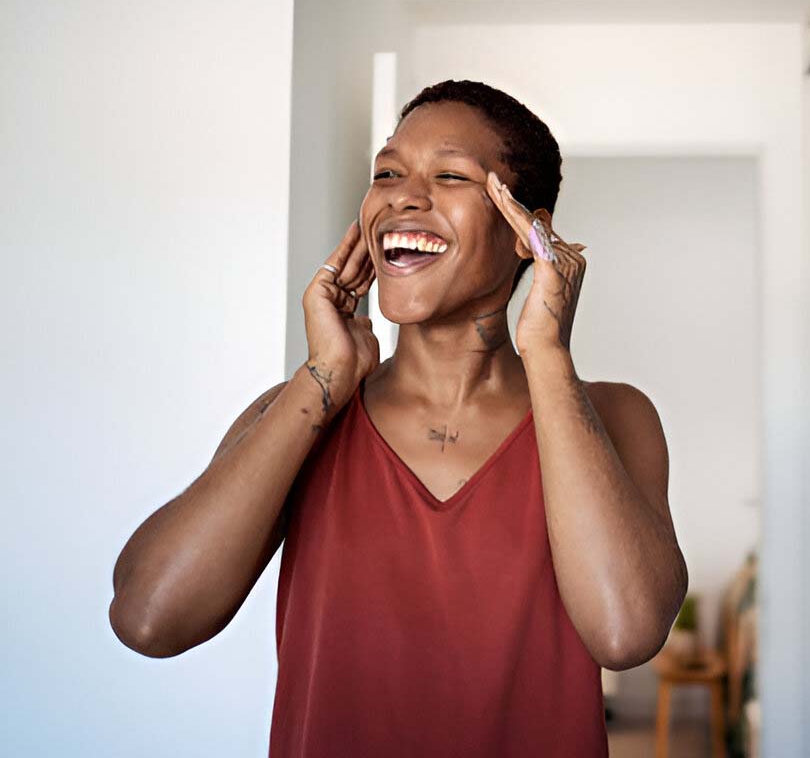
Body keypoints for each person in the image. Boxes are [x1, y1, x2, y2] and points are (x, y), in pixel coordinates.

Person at [108, 79, 689, 756]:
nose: (402, 196)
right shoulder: (297, 413)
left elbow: (625, 633)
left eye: (449, 175)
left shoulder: (615, 416)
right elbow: (149, 619)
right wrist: (324, 376)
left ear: (528, 235)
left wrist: (548, 356)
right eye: (386, 172)